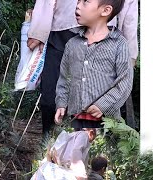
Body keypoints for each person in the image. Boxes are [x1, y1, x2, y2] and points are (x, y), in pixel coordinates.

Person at [27, 0, 138, 137]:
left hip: (105, 36)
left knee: (96, 104)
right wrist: (39, 30)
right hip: (61, 31)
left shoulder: (117, 45)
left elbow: (129, 5)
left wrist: (130, 48)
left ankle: (93, 152)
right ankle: (49, 148)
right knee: (50, 100)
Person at [54, 0, 133, 128]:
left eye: (85, 2)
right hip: (76, 120)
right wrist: (61, 104)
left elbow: (125, 81)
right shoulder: (72, 44)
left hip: (106, 122)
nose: (78, 5)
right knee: (76, 147)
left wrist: (103, 104)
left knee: (103, 148)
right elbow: (65, 78)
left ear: (105, 10)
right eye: (78, 1)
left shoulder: (119, 44)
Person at [31, 128, 97, 180]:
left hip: (50, 169)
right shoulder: (84, 135)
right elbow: (76, 152)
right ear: (91, 133)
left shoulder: (72, 135)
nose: (91, 142)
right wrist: (80, 174)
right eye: (93, 138)